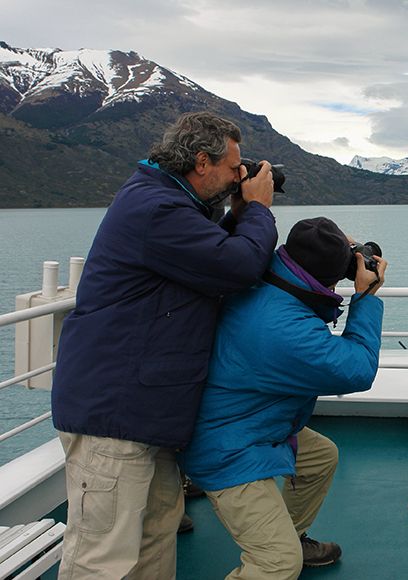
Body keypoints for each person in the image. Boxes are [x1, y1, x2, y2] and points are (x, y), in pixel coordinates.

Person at [51, 111, 279, 579]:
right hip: (114, 413)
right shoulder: (156, 209)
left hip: (149, 412)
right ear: (201, 161)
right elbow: (236, 267)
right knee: (104, 558)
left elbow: (213, 257)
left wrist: (236, 212)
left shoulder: (170, 204)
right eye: (235, 167)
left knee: (154, 542)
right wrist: (256, 210)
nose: (241, 176)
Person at [180, 217, 387, 580]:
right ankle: (281, 549)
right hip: (227, 446)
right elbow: (358, 369)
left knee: (320, 458)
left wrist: (338, 248)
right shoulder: (285, 329)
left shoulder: (268, 276)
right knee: (277, 564)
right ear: (327, 278)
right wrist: (365, 297)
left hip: (246, 418)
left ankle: (290, 535)